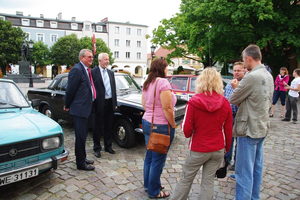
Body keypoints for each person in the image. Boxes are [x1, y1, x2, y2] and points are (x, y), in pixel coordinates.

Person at [171, 67, 233, 200]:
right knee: (208, 181)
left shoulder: (193, 102)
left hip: (198, 148)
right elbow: (228, 131)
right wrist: (225, 150)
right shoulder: (225, 103)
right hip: (217, 148)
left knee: (186, 179)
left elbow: (186, 131)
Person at [229, 44, 274, 199]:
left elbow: (233, 99)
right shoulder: (268, 75)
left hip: (248, 129)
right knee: (256, 168)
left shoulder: (252, 76)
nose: (244, 63)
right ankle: (254, 197)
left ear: (248, 58)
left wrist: (236, 86)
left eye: (243, 60)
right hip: (262, 127)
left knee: (243, 172)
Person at [142, 57, 176, 199]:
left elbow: (144, 105)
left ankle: (149, 183)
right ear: (161, 68)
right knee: (158, 159)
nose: (168, 69)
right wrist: (173, 124)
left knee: (150, 156)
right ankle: (154, 191)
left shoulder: (147, 82)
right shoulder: (163, 83)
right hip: (161, 124)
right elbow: (167, 108)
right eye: (167, 67)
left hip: (147, 122)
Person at [64, 49, 96, 171]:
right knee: (80, 136)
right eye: (89, 57)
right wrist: (67, 105)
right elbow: (70, 90)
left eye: (92, 57)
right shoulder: (77, 70)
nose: (91, 59)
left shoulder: (86, 70)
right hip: (80, 109)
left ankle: (82, 157)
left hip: (87, 108)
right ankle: (80, 163)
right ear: (81, 58)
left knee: (84, 136)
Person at [91, 53, 117, 158]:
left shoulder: (111, 73)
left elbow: (113, 88)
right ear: (100, 60)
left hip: (110, 103)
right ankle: (97, 148)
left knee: (108, 126)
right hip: (98, 104)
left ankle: (108, 146)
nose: (107, 61)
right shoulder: (93, 72)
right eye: (105, 59)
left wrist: (114, 103)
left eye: (108, 59)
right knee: (97, 127)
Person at [224, 62, 245, 172]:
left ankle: (237, 163)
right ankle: (227, 160)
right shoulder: (229, 83)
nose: (236, 72)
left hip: (239, 116)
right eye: (235, 70)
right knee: (228, 139)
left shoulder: (244, 84)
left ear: (243, 71)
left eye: (238, 70)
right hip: (229, 116)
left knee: (239, 141)